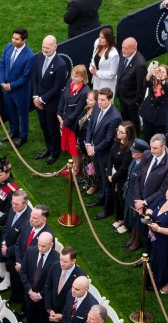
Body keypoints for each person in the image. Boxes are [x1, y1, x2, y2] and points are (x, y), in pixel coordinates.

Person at [84, 87, 122, 215]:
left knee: (107, 182)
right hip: (94, 150)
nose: (99, 102)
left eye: (103, 100)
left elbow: (108, 139)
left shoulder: (115, 117)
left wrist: (93, 149)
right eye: (99, 99)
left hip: (105, 154)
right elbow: (90, 125)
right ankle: (101, 199)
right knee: (99, 176)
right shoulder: (96, 107)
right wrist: (88, 144)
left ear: (110, 100)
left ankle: (107, 209)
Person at [31, 35, 69, 163]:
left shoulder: (60, 65)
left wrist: (41, 100)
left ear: (55, 47)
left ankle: (55, 152)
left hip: (51, 103)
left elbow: (57, 88)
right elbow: (35, 77)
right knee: (44, 126)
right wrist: (36, 97)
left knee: (52, 128)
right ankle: (48, 148)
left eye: (47, 47)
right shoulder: (39, 57)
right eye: (43, 47)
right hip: (39, 101)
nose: (45, 50)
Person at [44, 247, 83, 323]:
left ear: (73, 261)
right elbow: (48, 287)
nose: (62, 263)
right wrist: (50, 309)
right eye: (61, 259)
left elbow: (77, 302)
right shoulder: (55, 266)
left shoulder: (80, 277)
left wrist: (63, 316)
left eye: (65, 261)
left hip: (67, 317)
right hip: (53, 312)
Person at [19, 230, 57, 323]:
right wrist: (29, 290)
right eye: (39, 244)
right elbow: (23, 272)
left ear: (51, 245)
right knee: (33, 320)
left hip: (46, 298)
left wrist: (40, 295)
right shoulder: (31, 251)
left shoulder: (57, 259)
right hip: (30, 295)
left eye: (43, 246)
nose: (40, 248)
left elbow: (54, 283)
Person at [0, 28, 35, 146]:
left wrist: (10, 85)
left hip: (20, 92)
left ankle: (23, 137)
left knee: (23, 114)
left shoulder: (30, 56)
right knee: (10, 111)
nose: (13, 40)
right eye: (13, 38)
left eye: (17, 39)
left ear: (24, 40)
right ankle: (14, 131)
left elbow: (25, 77)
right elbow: (2, 64)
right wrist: (2, 82)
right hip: (6, 89)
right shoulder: (8, 47)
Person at [0, 183, 29, 300]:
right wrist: (4, 243)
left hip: (18, 254)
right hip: (8, 249)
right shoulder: (13, 210)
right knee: (13, 277)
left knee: (18, 278)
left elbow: (23, 240)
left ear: (25, 204)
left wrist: (8, 250)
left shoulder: (28, 219)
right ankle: (14, 294)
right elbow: (7, 228)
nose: (14, 206)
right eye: (12, 203)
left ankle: (18, 298)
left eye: (17, 204)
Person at [58, 64, 90, 170]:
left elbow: (78, 111)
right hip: (65, 120)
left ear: (82, 77)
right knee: (69, 147)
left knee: (74, 147)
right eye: (72, 75)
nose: (73, 78)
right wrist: (59, 113)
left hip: (73, 124)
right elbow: (63, 99)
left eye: (76, 76)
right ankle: (73, 164)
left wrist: (65, 122)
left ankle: (77, 167)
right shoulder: (70, 83)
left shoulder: (85, 91)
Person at [107, 121, 136, 229]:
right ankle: (119, 218)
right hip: (114, 175)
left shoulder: (129, 149)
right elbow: (110, 157)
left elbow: (124, 169)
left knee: (122, 199)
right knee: (116, 198)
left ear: (128, 134)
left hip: (122, 179)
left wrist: (112, 177)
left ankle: (126, 222)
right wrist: (109, 172)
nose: (118, 133)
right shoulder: (117, 141)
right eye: (118, 130)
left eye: (121, 132)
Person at [122, 138, 149, 252]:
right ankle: (133, 237)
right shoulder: (134, 160)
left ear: (141, 154)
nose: (132, 152)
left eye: (135, 151)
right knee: (131, 219)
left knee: (137, 221)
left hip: (137, 198)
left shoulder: (144, 166)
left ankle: (137, 240)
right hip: (129, 193)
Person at [115, 36, 147, 129]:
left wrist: (136, 102)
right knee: (125, 119)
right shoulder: (123, 53)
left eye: (126, 48)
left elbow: (142, 86)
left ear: (134, 48)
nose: (123, 50)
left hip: (132, 100)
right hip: (122, 96)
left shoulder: (140, 64)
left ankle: (134, 139)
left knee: (133, 122)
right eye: (122, 47)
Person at [139, 62, 168, 142]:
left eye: (163, 72)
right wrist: (149, 74)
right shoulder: (153, 79)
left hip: (161, 115)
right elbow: (146, 84)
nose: (160, 73)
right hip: (149, 111)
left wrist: (162, 79)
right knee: (147, 135)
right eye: (159, 71)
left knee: (159, 138)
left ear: (167, 75)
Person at [89, 26, 120, 95]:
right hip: (96, 81)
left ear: (108, 40)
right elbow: (93, 59)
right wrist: (91, 68)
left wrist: (97, 73)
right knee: (96, 101)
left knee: (104, 103)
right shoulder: (97, 43)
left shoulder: (114, 54)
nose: (99, 39)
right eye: (99, 36)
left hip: (107, 84)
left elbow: (112, 73)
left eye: (102, 38)